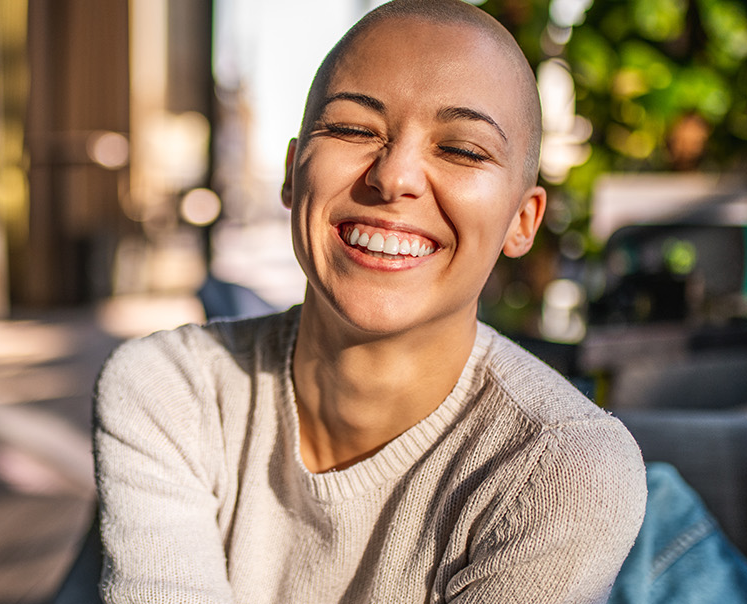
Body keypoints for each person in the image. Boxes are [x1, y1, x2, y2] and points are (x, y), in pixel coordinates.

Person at [91, 1, 647, 602]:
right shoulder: (170, 390)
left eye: (461, 149)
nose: (394, 176)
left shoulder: (560, 470)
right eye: (354, 130)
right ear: (292, 172)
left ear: (522, 220)